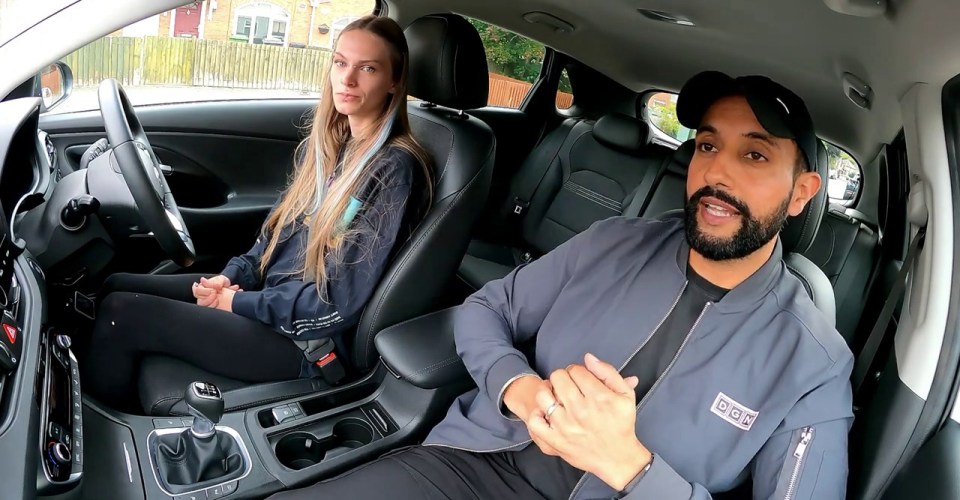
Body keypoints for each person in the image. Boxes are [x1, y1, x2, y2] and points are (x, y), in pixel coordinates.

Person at [269, 71, 854, 500]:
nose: (717, 172)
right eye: (706, 145)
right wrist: (516, 387)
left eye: (754, 154)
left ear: (801, 193)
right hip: (473, 468)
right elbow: (485, 309)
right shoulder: (616, 242)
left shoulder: (813, 364)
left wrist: (630, 469)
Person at [81, 15, 431, 413]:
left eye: (367, 68)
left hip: (306, 344)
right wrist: (230, 278)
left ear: (393, 83)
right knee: (114, 285)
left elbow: (337, 304)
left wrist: (238, 304)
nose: (347, 80)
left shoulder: (392, 169)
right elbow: (274, 242)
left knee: (121, 314)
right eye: (340, 63)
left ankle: (100, 439)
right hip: (270, 303)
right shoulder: (332, 148)